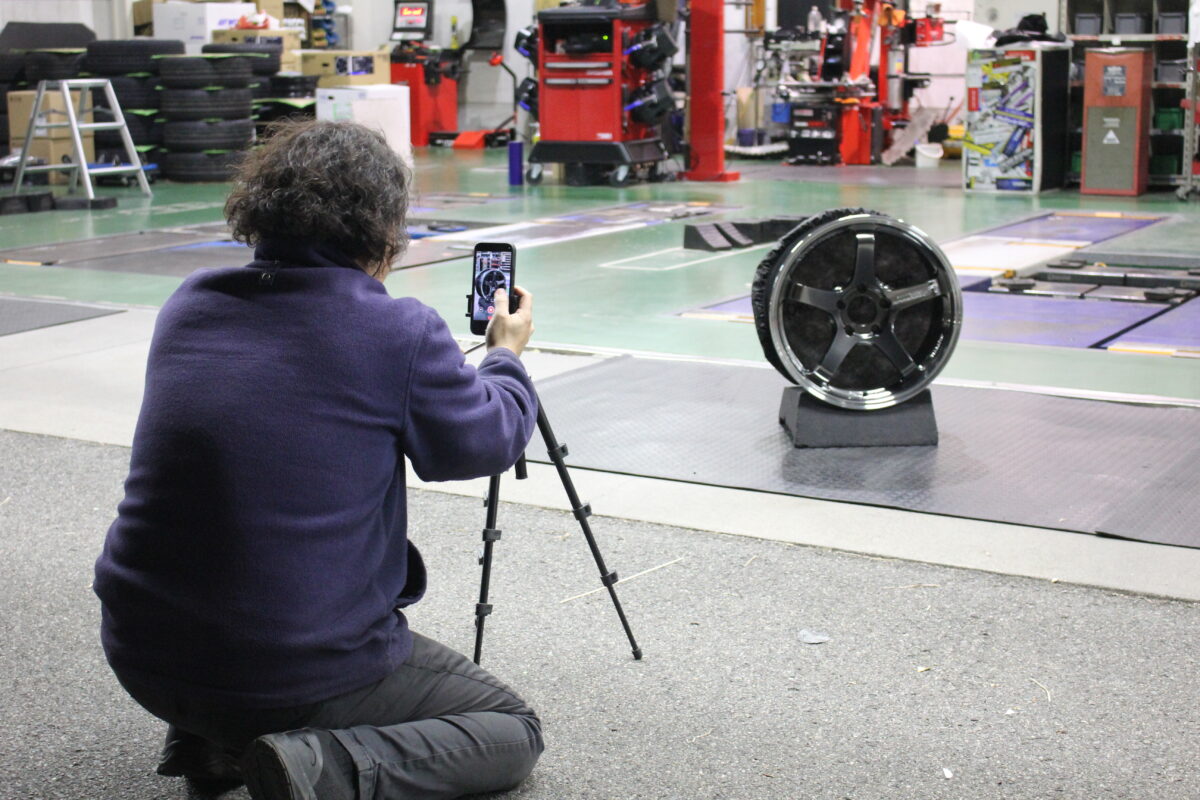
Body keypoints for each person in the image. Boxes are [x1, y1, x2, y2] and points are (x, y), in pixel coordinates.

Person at [93, 120, 542, 800]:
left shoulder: (191, 304)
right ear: (383, 231)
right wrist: (506, 357)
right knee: (511, 730)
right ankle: (312, 767)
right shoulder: (397, 330)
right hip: (286, 671)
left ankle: (212, 741)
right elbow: (483, 442)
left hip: (141, 651)